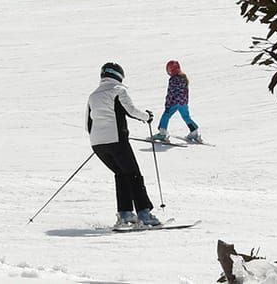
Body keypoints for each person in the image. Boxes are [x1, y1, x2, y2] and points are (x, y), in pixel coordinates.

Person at [86, 61, 162, 229]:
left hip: (97, 144)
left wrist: (100, 139)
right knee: (134, 174)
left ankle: (125, 214)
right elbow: (131, 111)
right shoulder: (118, 91)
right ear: (119, 76)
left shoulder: (93, 96)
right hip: (116, 141)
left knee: (121, 174)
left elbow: (88, 124)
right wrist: (147, 117)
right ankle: (144, 214)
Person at [155, 60, 202, 144]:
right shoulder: (183, 78)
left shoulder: (173, 79)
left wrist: (168, 104)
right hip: (183, 103)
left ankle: (162, 133)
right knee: (186, 117)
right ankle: (194, 131)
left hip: (174, 102)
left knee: (166, 115)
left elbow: (171, 93)